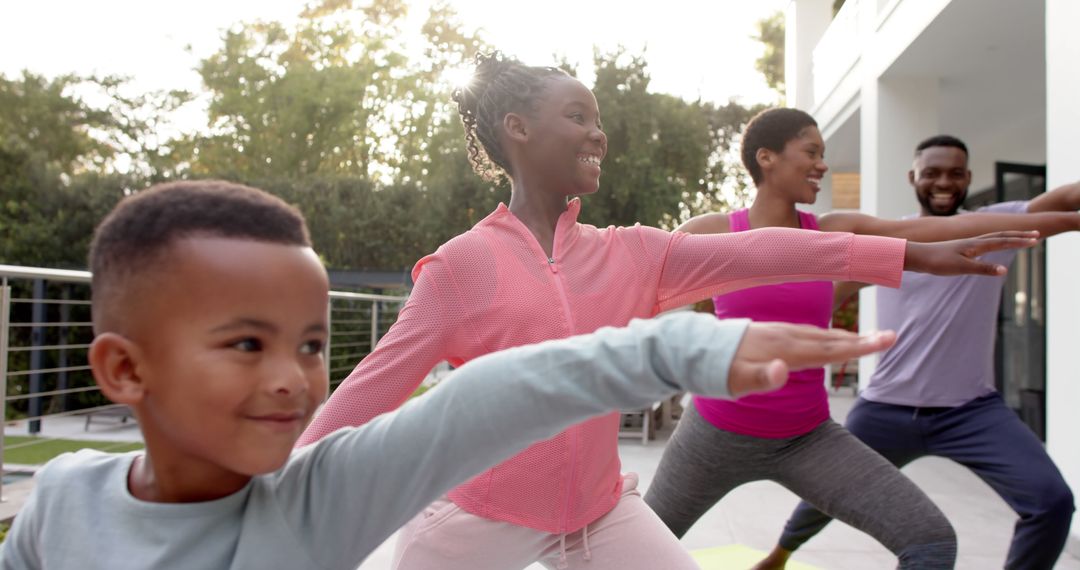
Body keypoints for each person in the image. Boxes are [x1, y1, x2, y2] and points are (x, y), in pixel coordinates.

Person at [296, 54, 1038, 570]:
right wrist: (289, 483)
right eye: (578, 115)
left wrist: (909, 255)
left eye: (597, 118)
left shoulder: (632, 252)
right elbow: (374, 384)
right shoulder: (463, 265)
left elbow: (779, 253)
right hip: (477, 518)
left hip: (595, 514)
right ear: (517, 128)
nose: (598, 132)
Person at [0, 180, 904, 569]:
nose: (292, 378)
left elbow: (506, 390)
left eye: (312, 346)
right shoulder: (61, 502)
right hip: (485, 517)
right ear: (124, 370)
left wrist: (693, 349)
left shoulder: (322, 500)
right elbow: (389, 376)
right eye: (247, 345)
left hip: (593, 505)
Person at [642, 110, 1080, 569]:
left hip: (805, 437)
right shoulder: (709, 233)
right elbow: (637, 294)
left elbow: (926, 231)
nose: (822, 165)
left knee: (931, 542)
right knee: (630, 552)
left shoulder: (831, 232)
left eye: (823, 155)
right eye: (811, 152)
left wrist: (1068, 222)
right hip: (714, 434)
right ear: (766, 158)